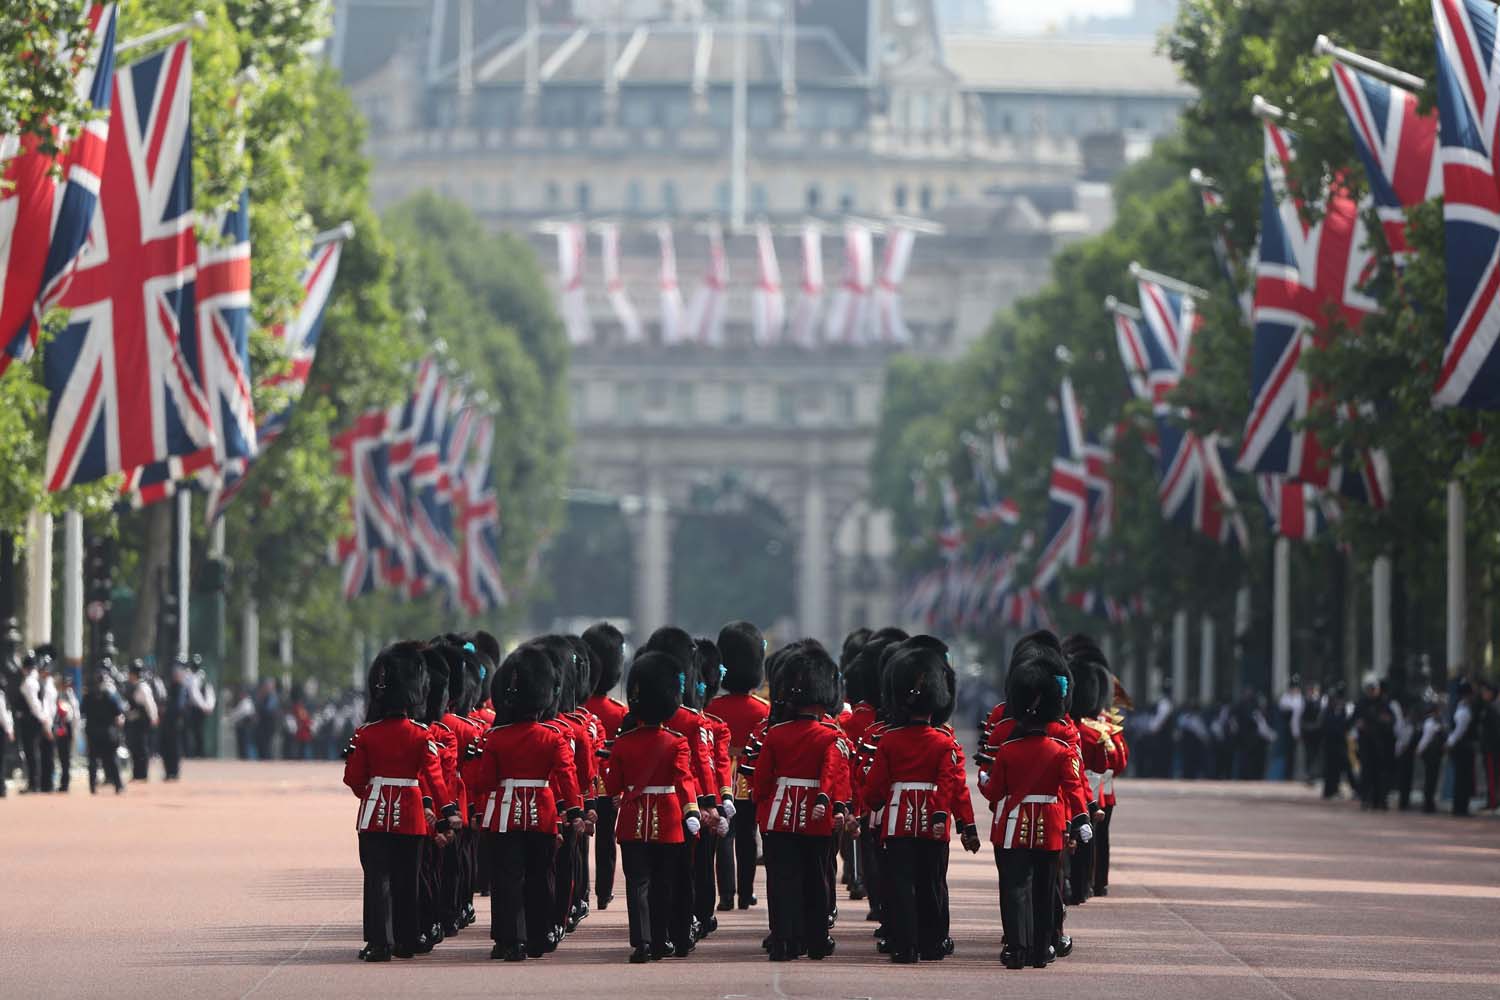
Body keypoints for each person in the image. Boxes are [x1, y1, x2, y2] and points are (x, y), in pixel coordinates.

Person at [861, 637, 980, 963]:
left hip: (897, 820)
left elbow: (876, 785)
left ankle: (905, 943)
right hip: (933, 821)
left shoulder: (889, 740)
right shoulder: (944, 742)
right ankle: (934, 940)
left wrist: (869, 805)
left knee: (900, 885)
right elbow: (953, 784)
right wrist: (965, 824)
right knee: (932, 884)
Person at [464, 642, 583, 962]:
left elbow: (484, 781)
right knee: (539, 877)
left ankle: (508, 939)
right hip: (542, 813)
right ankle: (537, 936)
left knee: (506, 879)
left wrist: (478, 809)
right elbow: (566, 775)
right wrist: (574, 810)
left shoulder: (497, 738)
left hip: (504, 814)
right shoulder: (552, 736)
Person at [979, 633, 1091, 971]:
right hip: (1051, 821)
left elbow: (994, 788)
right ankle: (1044, 946)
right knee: (1046, 888)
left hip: (1012, 822)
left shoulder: (1005, 739)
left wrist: (985, 783)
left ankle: (1017, 946)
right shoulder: (1063, 742)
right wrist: (1081, 818)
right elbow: (1074, 784)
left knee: (1015, 887)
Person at [343, 640, 458, 963]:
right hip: (410, 814)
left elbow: (353, 778)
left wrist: (371, 792)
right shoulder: (422, 735)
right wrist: (447, 812)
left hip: (375, 812)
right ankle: (407, 939)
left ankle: (380, 942)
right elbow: (434, 779)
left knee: (377, 878)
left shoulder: (366, 733)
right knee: (408, 879)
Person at [753, 640, 851, 962]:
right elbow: (836, 778)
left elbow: (763, 782)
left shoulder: (776, 734)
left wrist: (763, 808)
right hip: (816, 816)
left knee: (782, 879)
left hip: (780, 813)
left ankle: (785, 938)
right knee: (816, 877)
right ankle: (817, 937)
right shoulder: (831, 736)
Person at [606, 651, 701, 963]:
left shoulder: (623, 742)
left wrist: (623, 794)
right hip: (670, 819)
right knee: (664, 884)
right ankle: (661, 941)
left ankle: (642, 942)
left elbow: (612, 786)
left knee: (638, 885)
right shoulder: (676, 742)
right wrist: (691, 812)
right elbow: (685, 780)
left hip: (633, 819)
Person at [705, 620, 770, 912]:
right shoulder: (763, 709)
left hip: (721, 776)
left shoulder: (713, 708)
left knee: (724, 836)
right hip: (750, 775)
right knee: (747, 836)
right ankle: (746, 893)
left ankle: (727, 894)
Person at [582, 621, 628, 912]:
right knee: (607, 840)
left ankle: (582, 891)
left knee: (581, 840)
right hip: (609, 781)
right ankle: (603, 891)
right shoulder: (619, 712)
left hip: (584, 783)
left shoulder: (579, 708)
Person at [82, 667, 126, 794]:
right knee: (111, 759)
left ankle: (92, 787)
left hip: (93, 732)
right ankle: (118, 785)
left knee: (93, 761)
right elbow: (119, 714)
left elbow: (82, 712)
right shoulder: (109, 696)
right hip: (107, 732)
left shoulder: (88, 696)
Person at [124, 661, 157, 781]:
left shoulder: (142, 687)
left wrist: (153, 718)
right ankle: (136, 773)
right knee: (134, 747)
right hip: (134, 722)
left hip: (142, 722)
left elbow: (150, 705)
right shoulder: (132, 686)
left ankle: (142, 774)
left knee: (142, 747)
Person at [1447, 681, 1476, 817]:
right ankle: (1460, 807)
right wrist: (1450, 743)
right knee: (1462, 778)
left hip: (1459, 747)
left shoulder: (1460, 708)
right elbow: (1459, 731)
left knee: (1461, 778)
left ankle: (1459, 806)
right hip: (1462, 747)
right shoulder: (1463, 710)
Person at [1416, 700, 1445, 813]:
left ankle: (1429, 802)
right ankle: (1428, 803)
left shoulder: (1437, 722)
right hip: (1431, 755)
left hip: (1435, 754)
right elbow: (1426, 738)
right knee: (1430, 779)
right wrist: (1419, 749)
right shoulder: (1430, 722)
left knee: (1431, 779)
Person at [160, 659, 186, 781]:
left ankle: (174, 772)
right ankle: (168, 772)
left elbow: (179, 706)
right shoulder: (169, 686)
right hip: (166, 722)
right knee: (165, 747)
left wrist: (168, 710)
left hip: (175, 722)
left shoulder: (181, 687)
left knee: (174, 748)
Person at [53, 673, 79, 793]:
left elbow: (75, 716)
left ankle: (65, 783)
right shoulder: (57, 695)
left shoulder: (71, 697)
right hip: (59, 726)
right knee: (61, 756)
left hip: (67, 728)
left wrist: (74, 732)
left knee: (65, 757)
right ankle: (63, 782)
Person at [1478, 681, 1500, 812]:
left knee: (1492, 775)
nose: (1483, 694)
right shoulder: (1488, 707)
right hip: (1489, 747)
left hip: (1491, 748)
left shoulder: (1491, 709)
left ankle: (1492, 801)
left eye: (1485, 692)